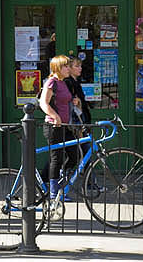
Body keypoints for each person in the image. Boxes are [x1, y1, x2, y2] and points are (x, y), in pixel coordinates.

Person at [39, 54, 79, 202]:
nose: (68, 69)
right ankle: (54, 193)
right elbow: (44, 103)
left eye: (69, 66)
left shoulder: (64, 83)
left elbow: (65, 100)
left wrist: (74, 101)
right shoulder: (52, 82)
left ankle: (48, 181)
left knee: (74, 155)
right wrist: (55, 116)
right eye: (65, 66)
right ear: (57, 67)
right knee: (57, 157)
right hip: (53, 126)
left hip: (66, 126)